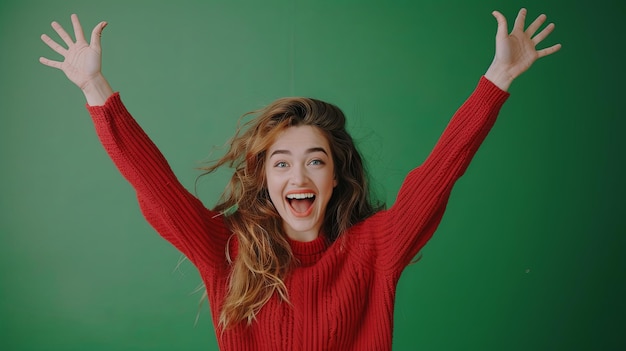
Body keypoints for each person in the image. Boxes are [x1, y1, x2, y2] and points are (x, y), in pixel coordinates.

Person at [39, 8, 560, 351]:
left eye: (315, 160)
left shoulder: (376, 248)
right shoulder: (227, 251)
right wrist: (94, 87)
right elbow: (157, 189)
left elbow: (443, 170)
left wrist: (498, 79)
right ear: (264, 179)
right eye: (281, 162)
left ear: (337, 176)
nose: (298, 175)